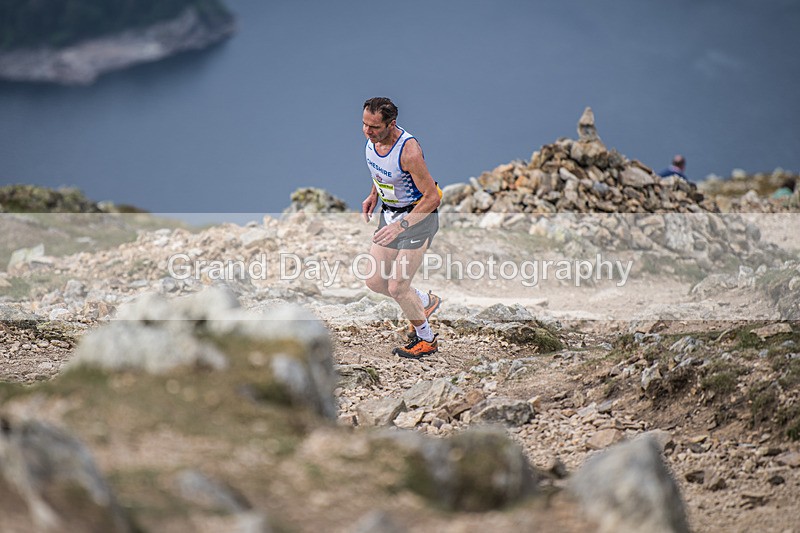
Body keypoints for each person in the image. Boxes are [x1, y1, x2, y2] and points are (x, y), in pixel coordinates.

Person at [360, 97, 443, 358]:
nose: (367, 131)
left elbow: (433, 197)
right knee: (375, 281)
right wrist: (374, 194)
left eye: (374, 127)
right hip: (390, 214)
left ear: (391, 124)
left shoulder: (409, 152)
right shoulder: (373, 140)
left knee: (397, 286)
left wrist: (401, 226)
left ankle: (426, 340)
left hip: (418, 219)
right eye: (364, 124)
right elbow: (381, 171)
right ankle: (424, 301)